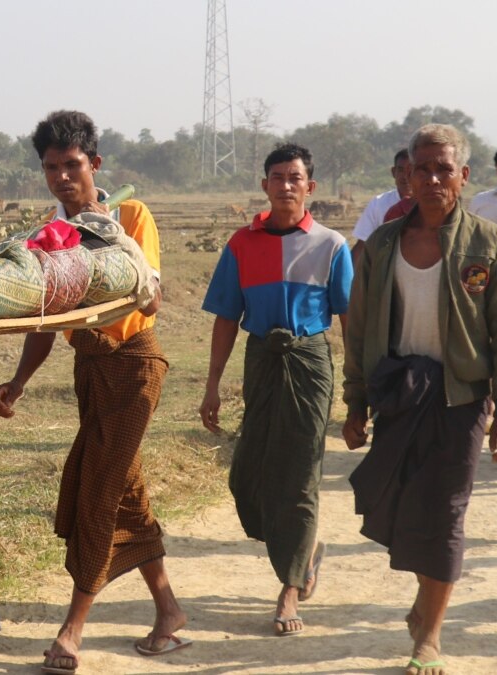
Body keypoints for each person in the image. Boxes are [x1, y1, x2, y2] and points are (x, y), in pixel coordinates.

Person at [0, 110, 188, 673]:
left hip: (134, 368)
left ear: (95, 164)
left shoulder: (129, 214)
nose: (61, 177)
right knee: (125, 489)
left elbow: (148, 300)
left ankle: (71, 630)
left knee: (98, 490)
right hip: (90, 371)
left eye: (72, 165)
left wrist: (107, 231)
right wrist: (19, 382)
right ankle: (169, 612)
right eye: (51, 167)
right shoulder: (50, 235)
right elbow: (46, 321)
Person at [343, 124, 497, 675]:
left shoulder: (486, 244)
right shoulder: (381, 245)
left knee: (446, 512)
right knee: (402, 508)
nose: (431, 179)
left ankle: (430, 633)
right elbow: (357, 331)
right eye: (421, 168)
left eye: (443, 169)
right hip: (398, 393)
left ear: (463, 176)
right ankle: (425, 604)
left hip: (461, 398)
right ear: (406, 174)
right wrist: (354, 402)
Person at [200, 143, 352, 637]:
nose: (286, 185)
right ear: (264, 185)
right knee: (249, 472)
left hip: (309, 361)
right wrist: (213, 385)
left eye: (295, 177)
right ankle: (300, 554)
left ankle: (290, 587)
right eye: (277, 177)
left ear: (310, 187)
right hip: (260, 358)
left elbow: (350, 318)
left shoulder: (332, 245)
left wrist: (359, 388)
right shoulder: (242, 244)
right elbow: (227, 316)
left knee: (299, 472)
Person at [351, 149, 412, 258]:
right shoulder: (378, 203)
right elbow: (362, 245)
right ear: (394, 172)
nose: (405, 176)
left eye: (411, 170)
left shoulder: (431, 204)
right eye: (401, 170)